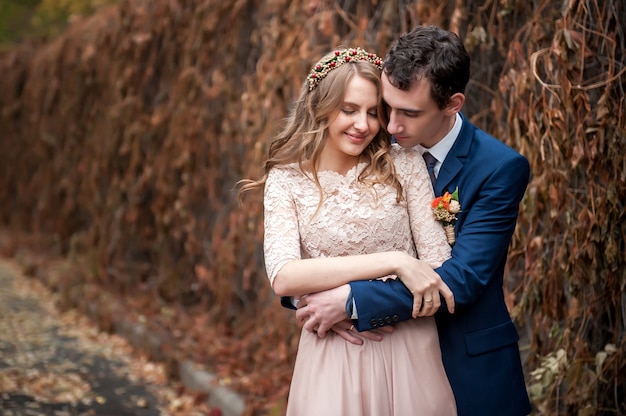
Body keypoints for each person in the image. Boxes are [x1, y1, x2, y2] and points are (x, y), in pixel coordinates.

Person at [295, 26, 532, 416]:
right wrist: (308, 298)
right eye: (388, 106)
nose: (390, 127)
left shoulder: (498, 169)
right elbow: (320, 225)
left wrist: (352, 302)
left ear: (452, 103)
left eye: (410, 113)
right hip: (376, 363)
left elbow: (465, 277)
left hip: (465, 366)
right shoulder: (369, 142)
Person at [239, 47, 457, 415]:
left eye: (374, 112)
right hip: (333, 352)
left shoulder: (403, 164)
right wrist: (395, 261)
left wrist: (350, 302)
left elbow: (437, 264)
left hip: (407, 346)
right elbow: (284, 276)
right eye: (349, 110)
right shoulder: (287, 180)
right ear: (320, 107)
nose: (363, 125)